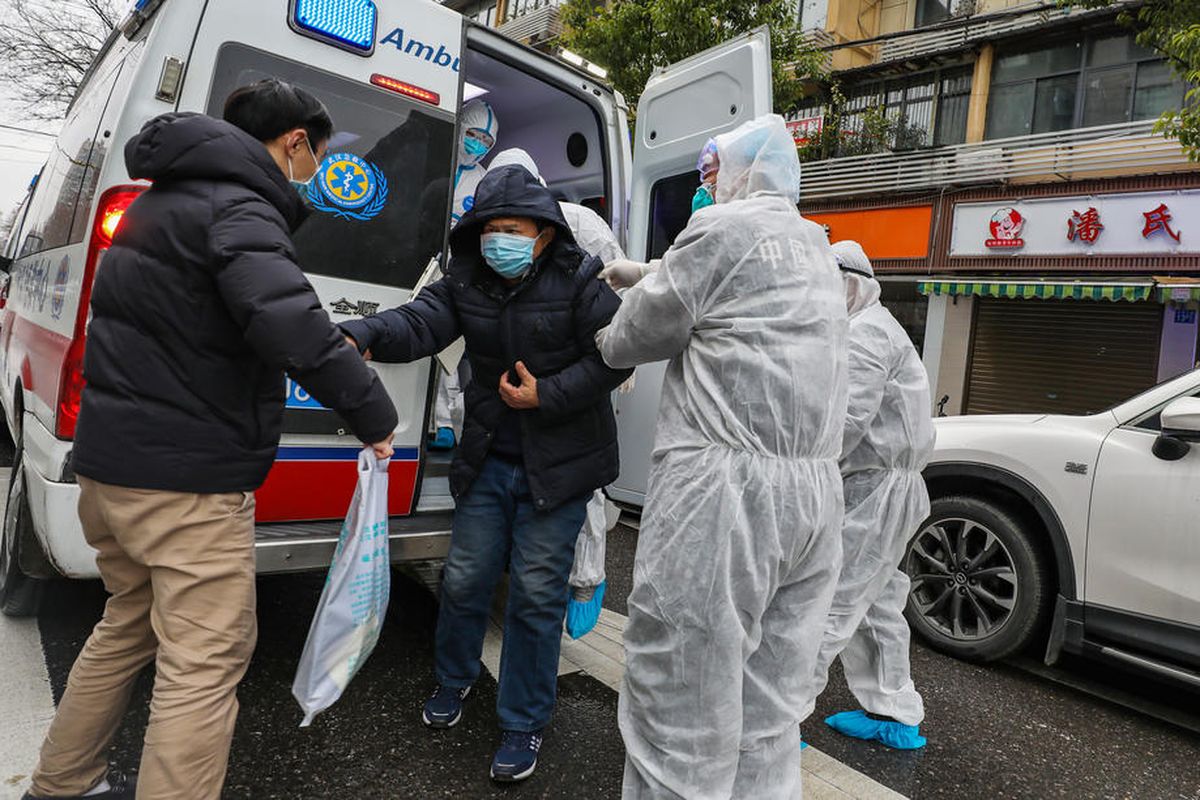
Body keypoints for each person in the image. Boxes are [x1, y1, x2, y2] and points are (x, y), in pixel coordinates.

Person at [22, 80, 398, 800]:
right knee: (205, 660)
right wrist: (374, 417)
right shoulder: (240, 208)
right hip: (185, 484)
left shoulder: (162, 201)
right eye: (318, 157)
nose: (316, 173)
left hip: (114, 469)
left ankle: (61, 783)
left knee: (126, 625)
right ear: (295, 142)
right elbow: (292, 323)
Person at [340, 164, 631, 783]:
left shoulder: (580, 278)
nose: (499, 239)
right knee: (466, 577)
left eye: (513, 229)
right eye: (490, 228)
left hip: (561, 468)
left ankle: (524, 721)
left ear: (544, 233)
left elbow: (613, 358)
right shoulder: (467, 276)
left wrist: (545, 395)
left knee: (534, 595)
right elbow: (419, 323)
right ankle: (453, 679)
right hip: (491, 457)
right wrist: (362, 333)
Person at [595, 115, 848, 800]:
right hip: (814, 501)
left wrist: (612, 315)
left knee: (678, 706)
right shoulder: (817, 246)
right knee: (768, 714)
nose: (705, 189)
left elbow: (635, 336)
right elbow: (742, 292)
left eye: (711, 174)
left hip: (724, 496)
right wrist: (650, 269)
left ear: (742, 173)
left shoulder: (717, 231)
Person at [488, 147, 626, 637]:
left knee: (577, 479)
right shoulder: (490, 227)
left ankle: (586, 581)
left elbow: (617, 293)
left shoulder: (580, 223)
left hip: (576, 370)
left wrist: (611, 359)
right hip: (517, 374)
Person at [804, 240, 934, 750]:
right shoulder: (868, 329)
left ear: (852, 284)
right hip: (878, 487)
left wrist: (801, 475)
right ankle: (895, 709)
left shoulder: (866, 335)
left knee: (828, 602)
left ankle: (774, 721)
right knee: (876, 601)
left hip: (875, 490)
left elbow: (844, 424)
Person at [430, 99, 501, 451]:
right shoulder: (433, 159)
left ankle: (444, 424)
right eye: (474, 135)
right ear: (460, 128)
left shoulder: (483, 180)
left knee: (448, 349)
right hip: (420, 266)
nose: (478, 145)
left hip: (457, 273)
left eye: (487, 142)